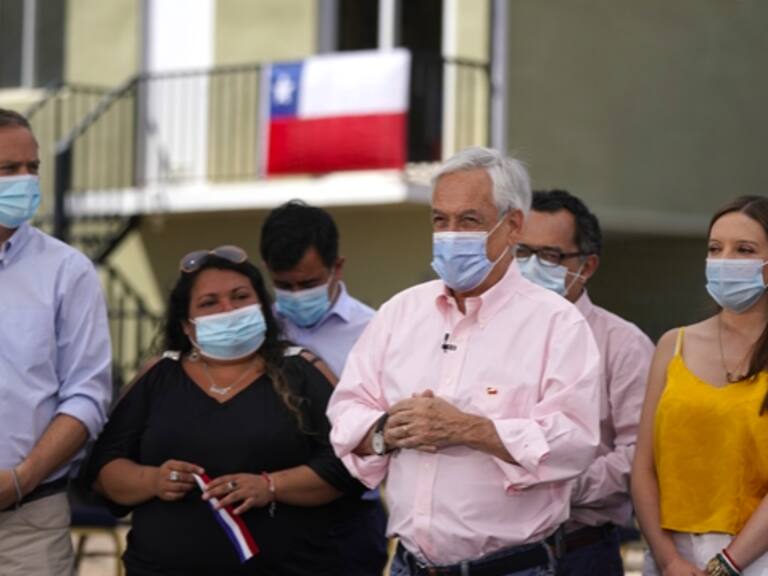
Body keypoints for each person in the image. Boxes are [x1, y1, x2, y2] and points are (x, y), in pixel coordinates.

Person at [327, 146, 602, 575]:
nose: (451, 233)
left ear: (512, 226)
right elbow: (345, 412)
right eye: (441, 219)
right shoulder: (400, 312)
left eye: (469, 220)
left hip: (511, 567)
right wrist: (385, 431)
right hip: (409, 564)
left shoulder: (556, 323)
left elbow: (574, 443)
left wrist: (468, 429)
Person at [87, 246, 363, 576]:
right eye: (209, 303)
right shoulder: (158, 376)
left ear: (261, 307)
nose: (228, 309)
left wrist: (271, 486)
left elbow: (348, 461)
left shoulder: (302, 370)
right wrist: (153, 480)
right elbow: (102, 468)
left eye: (240, 296)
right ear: (187, 326)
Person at [517, 190, 654, 575]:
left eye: (549, 256)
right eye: (521, 252)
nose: (529, 267)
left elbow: (641, 455)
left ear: (587, 265)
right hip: (488, 553)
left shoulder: (622, 345)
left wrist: (558, 488)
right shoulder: (487, 334)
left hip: (574, 553)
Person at [0, 108, 113, 575]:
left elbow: (87, 395)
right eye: (9, 169)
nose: (26, 181)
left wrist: (20, 481)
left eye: (33, 167)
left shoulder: (67, 272)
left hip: (29, 521)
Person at [632, 195, 768, 576]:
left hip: (754, 555)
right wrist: (668, 559)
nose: (725, 261)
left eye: (744, 250)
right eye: (714, 248)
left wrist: (726, 564)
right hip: (671, 555)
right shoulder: (673, 345)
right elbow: (643, 467)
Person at [260, 200, 387, 576]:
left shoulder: (375, 331)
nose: (297, 294)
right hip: (268, 510)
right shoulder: (258, 329)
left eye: (309, 283)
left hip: (347, 520)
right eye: (284, 285)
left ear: (338, 268)